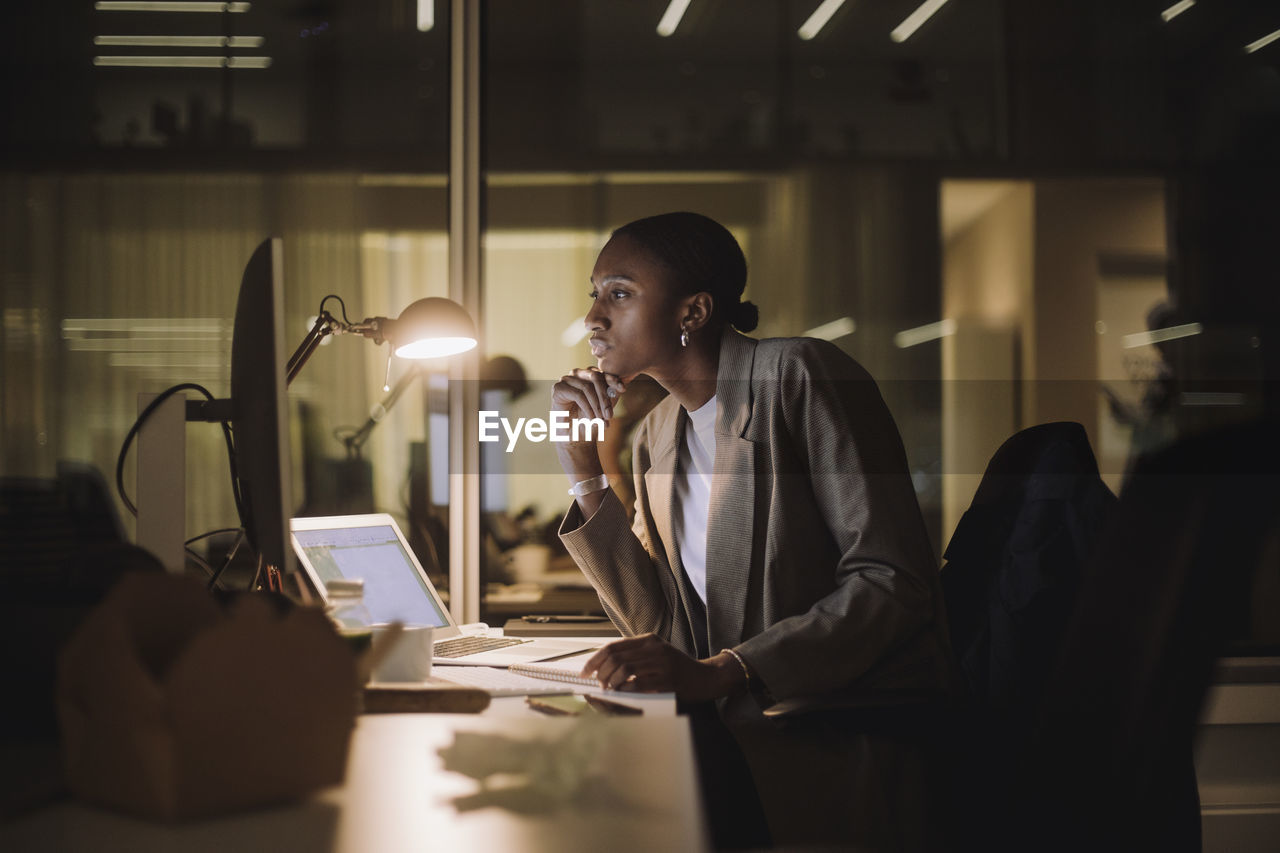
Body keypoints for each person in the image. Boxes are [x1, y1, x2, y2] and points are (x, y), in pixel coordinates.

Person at [552, 211, 951, 849]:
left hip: (821, 736)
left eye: (619, 293)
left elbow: (892, 582)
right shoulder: (657, 433)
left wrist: (730, 669)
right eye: (595, 294)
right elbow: (657, 629)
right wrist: (585, 474)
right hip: (717, 740)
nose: (594, 317)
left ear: (693, 312)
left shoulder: (800, 375)